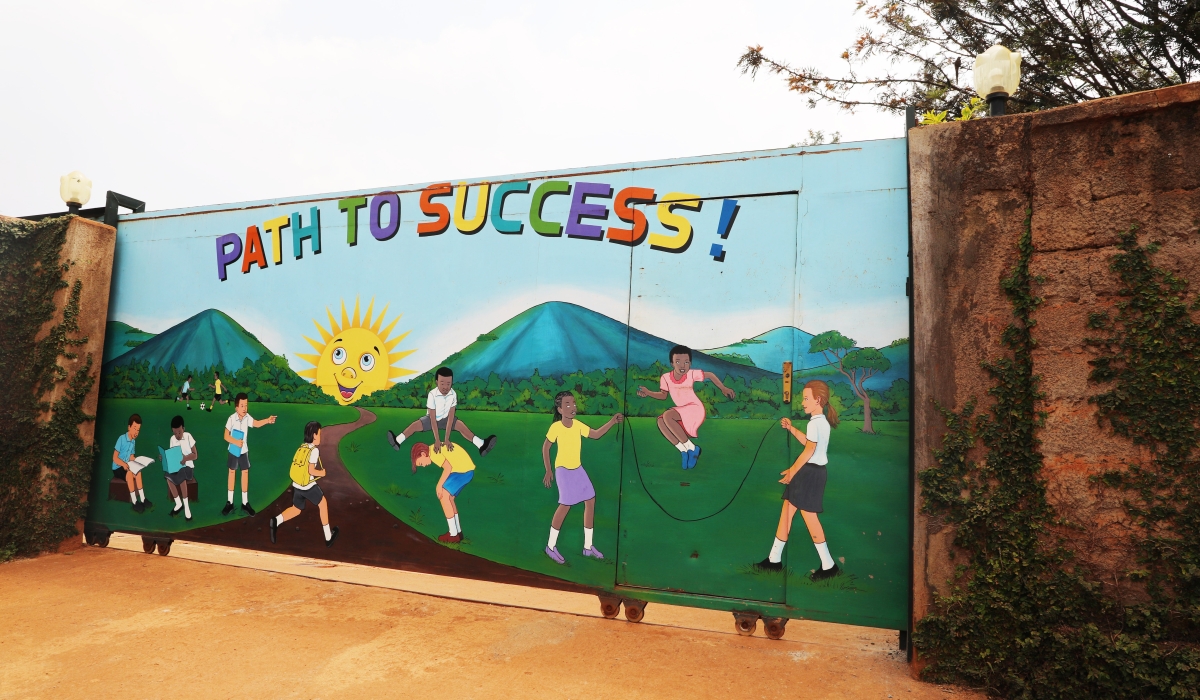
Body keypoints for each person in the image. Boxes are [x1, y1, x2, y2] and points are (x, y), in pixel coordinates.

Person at [757, 380, 841, 581]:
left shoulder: (816, 423)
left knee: (810, 518)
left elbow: (809, 450)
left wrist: (792, 471)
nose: (802, 402)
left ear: (818, 400)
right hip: (811, 473)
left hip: (810, 474)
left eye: (806, 398)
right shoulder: (820, 422)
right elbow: (808, 442)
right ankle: (774, 559)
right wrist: (791, 428)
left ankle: (828, 565)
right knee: (787, 511)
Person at [541, 391, 623, 564]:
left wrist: (612, 421)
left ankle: (587, 547)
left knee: (590, 500)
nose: (572, 407)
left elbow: (595, 434)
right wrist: (548, 470)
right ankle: (550, 546)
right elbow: (546, 448)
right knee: (565, 506)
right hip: (563, 471)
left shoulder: (577, 425)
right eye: (568, 404)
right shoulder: (556, 427)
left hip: (577, 469)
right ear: (560, 409)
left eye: (574, 403)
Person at [636, 345, 736, 469]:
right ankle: (683, 451)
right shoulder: (666, 378)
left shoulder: (691, 374)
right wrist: (648, 392)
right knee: (661, 421)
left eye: (686, 362)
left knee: (667, 415)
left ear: (690, 363)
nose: (682, 365)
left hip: (694, 409)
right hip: (681, 410)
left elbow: (709, 375)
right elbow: (663, 396)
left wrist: (723, 388)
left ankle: (693, 449)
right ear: (672, 363)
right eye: (678, 362)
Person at [386, 367, 496, 466]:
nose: (445, 387)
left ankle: (481, 444)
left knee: (461, 426)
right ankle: (398, 440)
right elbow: (432, 419)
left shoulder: (453, 394)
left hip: (446, 418)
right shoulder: (432, 395)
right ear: (437, 382)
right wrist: (437, 440)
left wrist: (447, 439)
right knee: (415, 425)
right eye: (442, 383)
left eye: (448, 384)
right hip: (431, 419)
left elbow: (452, 416)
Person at [269, 421, 339, 547]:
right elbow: (311, 470)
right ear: (313, 435)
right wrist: (321, 474)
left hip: (297, 484)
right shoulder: (314, 450)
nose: (320, 437)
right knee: (322, 504)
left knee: (296, 509)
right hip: (308, 486)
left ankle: (276, 520)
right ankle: (328, 536)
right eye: (319, 434)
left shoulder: (302, 447)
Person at [409, 440, 476, 544]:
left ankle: (453, 534)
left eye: (421, 463)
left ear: (423, 454)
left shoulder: (434, 452)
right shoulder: (434, 449)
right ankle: (458, 532)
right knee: (450, 498)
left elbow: (448, 467)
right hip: (466, 471)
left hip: (462, 471)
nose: (423, 466)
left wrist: (439, 486)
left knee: (443, 497)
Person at [222, 392, 277, 516]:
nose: (245, 408)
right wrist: (235, 441)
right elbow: (226, 436)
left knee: (245, 473)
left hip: (243, 451)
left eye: (246, 405)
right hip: (233, 450)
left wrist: (267, 420)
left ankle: (245, 502)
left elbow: (256, 424)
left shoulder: (247, 417)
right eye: (242, 406)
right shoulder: (231, 418)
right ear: (236, 407)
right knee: (232, 473)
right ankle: (229, 502)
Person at [112, 414, 152, 513]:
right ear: (129, 427)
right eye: (134, 428)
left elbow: (131, 456)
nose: (136, 432)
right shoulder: (121, 439)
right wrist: (124, 464)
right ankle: (134, 501)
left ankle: (142, 499)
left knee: (138, 472)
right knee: (130, 474)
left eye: (138, 430)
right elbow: (115, 458)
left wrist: (137, 460)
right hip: (118, 467)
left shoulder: (133, 441)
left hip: (128, 465)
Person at [167, 415, 197, 520]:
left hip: (187, 468)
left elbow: (195, 455)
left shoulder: (188, 436)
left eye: (179, 432)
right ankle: (178, 503)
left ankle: (187, 507)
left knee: (182, 477)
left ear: (183, 429)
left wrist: (186, 458)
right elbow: (172, 454)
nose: (177, 435)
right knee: (168, 477)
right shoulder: (172, 439)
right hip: (177, 466)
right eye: (175, 433)